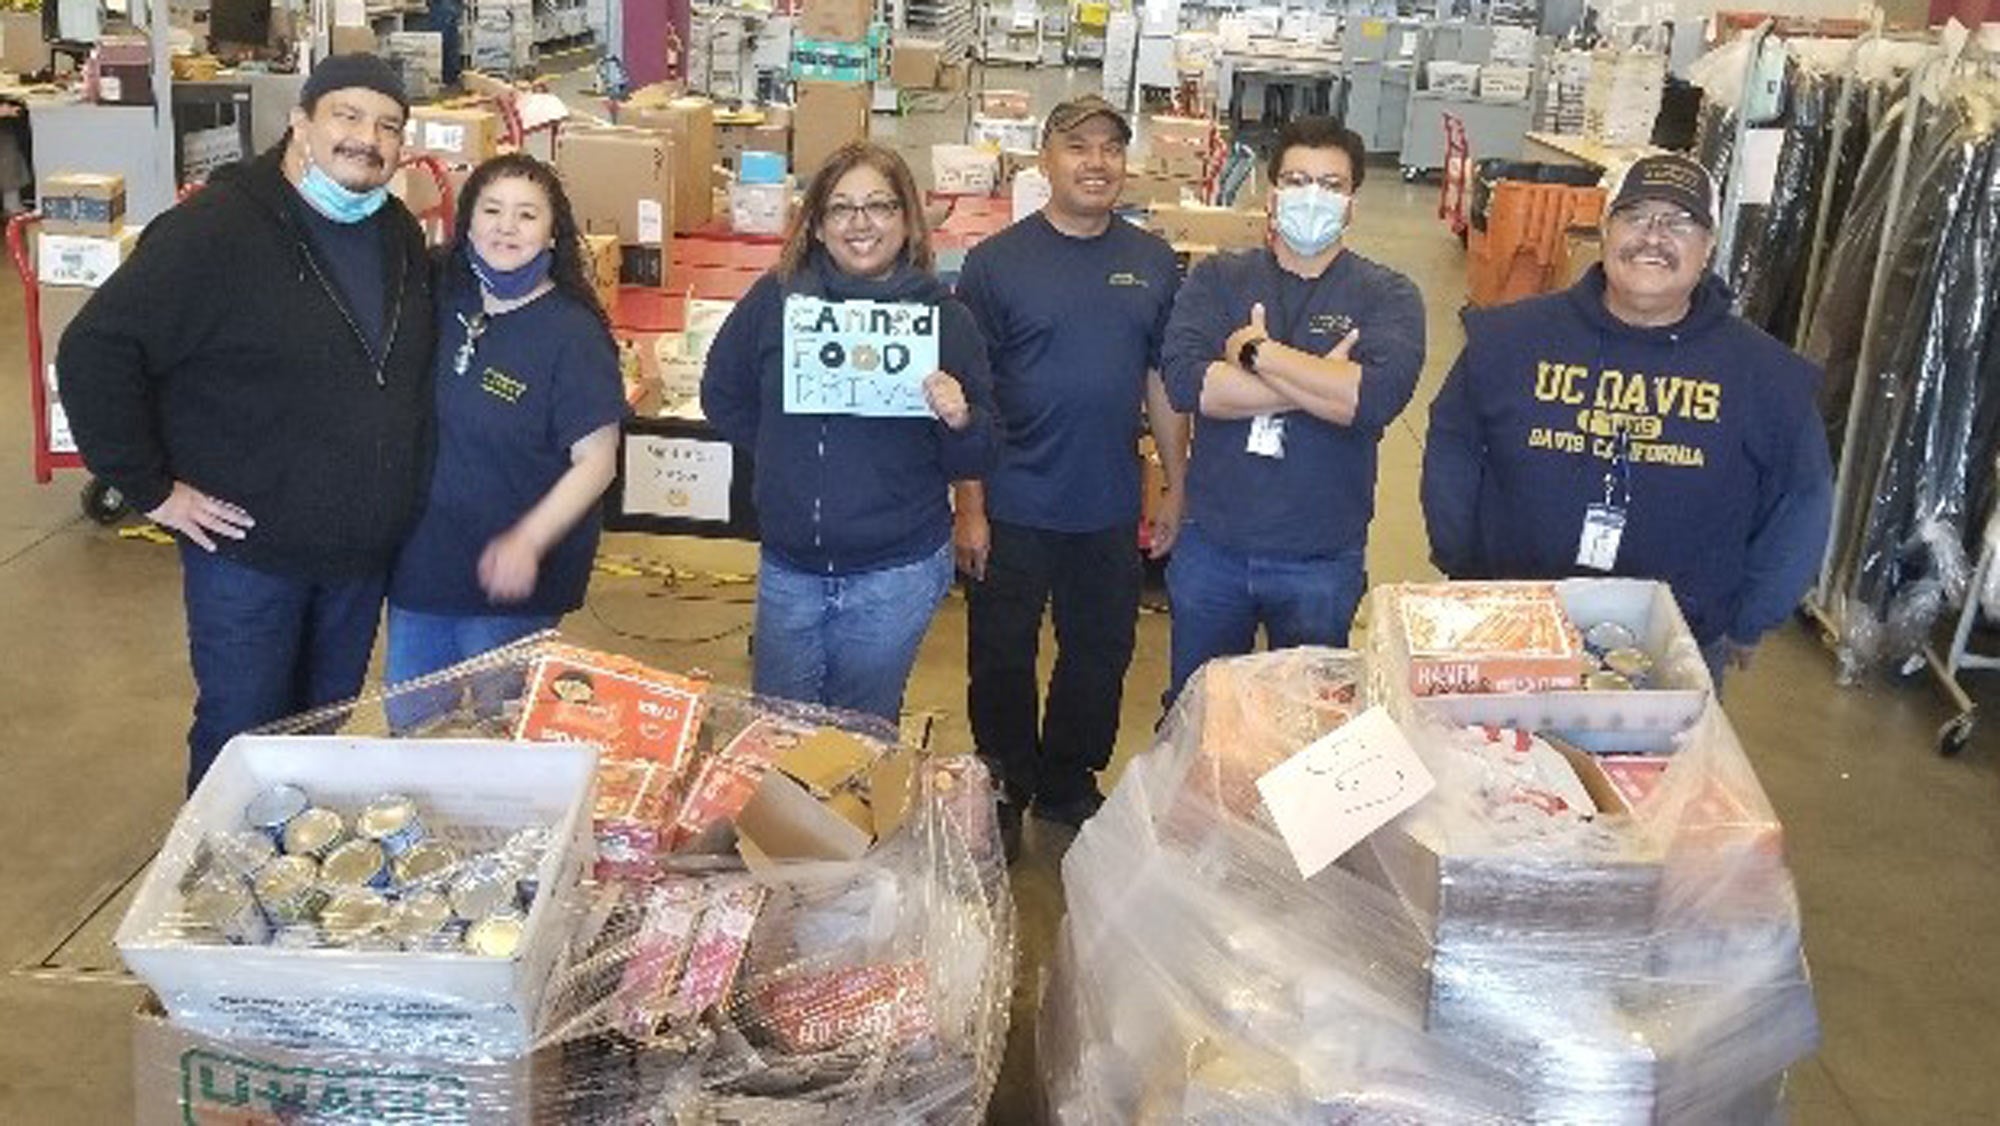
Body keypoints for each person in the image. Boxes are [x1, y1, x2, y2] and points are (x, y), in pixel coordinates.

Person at [57, 55, 434, 791]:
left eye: (388, 126)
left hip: (358, 553)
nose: (368, 139)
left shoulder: (395, 231)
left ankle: (293, 885)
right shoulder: (218, 229)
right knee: (244, 734)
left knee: (322, 730)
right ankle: (215, 896)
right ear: (301, 122)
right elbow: (97, 350)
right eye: (347, 117)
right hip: (250, 553)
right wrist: (153, 490)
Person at [1422, 153, 1832, 685]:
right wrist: (1464, 567)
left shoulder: (1768, 377)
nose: (1653, 237)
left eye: (1680, 222)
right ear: (1605, 230)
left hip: (1675, 647)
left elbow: (1804, 501)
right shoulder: (1506, 342)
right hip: (1512, 624)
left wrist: (1752, 616)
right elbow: (1451, 447)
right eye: (1636, 217)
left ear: (1708, 249)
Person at [951, 94, 1185, 840]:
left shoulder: (1151, 262)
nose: (1096, 162)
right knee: (1001, 653)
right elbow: (968, 394)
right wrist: (970, 506)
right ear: (1044, 159)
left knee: (1101, 651)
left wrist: (1175, 486)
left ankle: (1068, 779)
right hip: (1013, 498)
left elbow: (1161, 383)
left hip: (1108, 503)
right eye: (1078, 145)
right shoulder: (995, 264)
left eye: (1110, 149)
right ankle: (1006, 780)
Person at [701, 141, 998, 722]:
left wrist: (961, 418)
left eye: (880, 206)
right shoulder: (777, 301)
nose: (861, 223)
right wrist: (782, 452)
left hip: (895, 573)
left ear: (908, 220)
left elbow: (982, 449)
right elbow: (722, 393)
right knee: (776, 734)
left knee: (860, 741)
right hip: (790, 568)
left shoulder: (945, 319)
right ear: (815, 224)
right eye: (841, 208)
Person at [1159, 116, 1426, 706]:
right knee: (1198, 715)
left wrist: (1256, 353)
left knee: (1308, 731)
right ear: (1271, 192)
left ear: (1353, 202)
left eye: (1332, 185)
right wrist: (1321, 379)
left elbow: (1374, 399)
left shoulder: (1388, 295)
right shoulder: (1218, 279)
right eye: (1298, 179)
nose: (1314, 196)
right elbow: (1188, 384)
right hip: (1214, 548)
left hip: (1321, 558)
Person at [384, 154, 627, 706]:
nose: (506, 227)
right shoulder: (438, 296)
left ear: (551, 234)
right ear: (467, 220)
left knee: (503, 728)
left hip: (513, 577)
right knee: (413, 721)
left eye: (526, 215)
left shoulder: (572, 333)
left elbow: (597, 462)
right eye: (491, 210)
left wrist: (528, 540)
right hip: (423, 563)